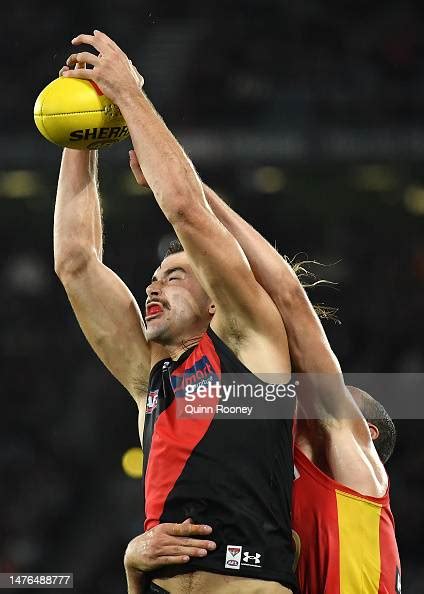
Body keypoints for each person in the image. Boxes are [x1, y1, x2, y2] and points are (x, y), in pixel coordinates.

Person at [55, 31, 297, 594]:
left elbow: (186, 210)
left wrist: (129, 92)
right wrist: (81, 130)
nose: (152, 285)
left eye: (175, 275)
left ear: (216, 300)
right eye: (154, 277)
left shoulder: (252, 347)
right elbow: (75, 261)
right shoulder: (151, 381)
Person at [126, 153, 401, 593]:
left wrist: (197, 197)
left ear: (365, 432)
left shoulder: (357, 471)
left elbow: (289, 296)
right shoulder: (272, 496)